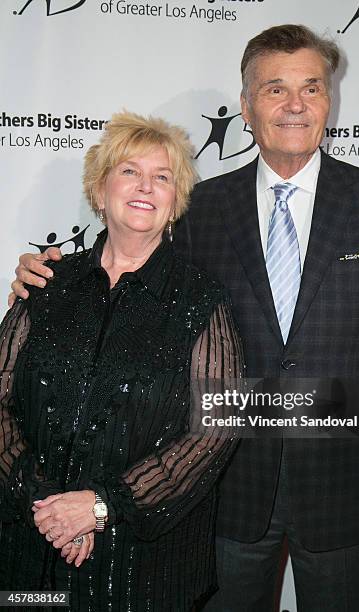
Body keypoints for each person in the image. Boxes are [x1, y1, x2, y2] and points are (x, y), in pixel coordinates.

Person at [10, 25, 359, 612]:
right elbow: (123, 288)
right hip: (222, 487)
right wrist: (45, 272)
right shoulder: (199, 209)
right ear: (245, 106)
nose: (294, 105)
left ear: (328, 101)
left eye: (311, 89)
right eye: (274, 89)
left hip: (345, 484)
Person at [1, 111, 243, 611]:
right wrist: (44, 504)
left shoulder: (201, 298)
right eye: (130, 170)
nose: (145, 187)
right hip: (30, 544)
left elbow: (215, 430)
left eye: (163, 177)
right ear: (100, 185)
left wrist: (99, 506)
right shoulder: (47, 284)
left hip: (143, 566)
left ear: (176, 201)